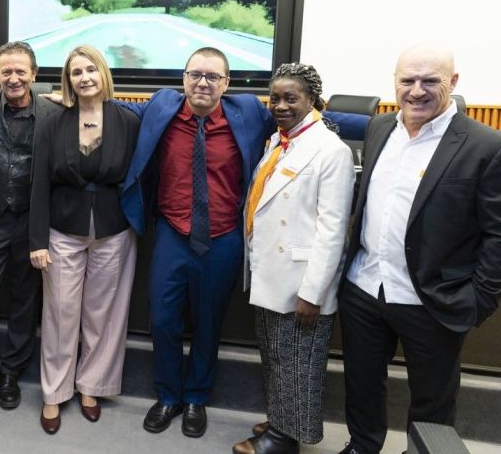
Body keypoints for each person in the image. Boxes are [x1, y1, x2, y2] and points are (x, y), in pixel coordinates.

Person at [119, 46, 368, 438]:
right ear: (183, 78)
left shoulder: (249, 111)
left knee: (208, 322)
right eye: (195, 75)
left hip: (223, 238)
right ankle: (168, 395)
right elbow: (115, 109)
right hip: (171, 233)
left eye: (212, 76)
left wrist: (385, 123)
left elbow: (311, 112)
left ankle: (196, 397)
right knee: (163, 320)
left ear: (227, 83)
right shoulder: (162, 106)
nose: (203, 83)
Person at [337, 45, 501, 454]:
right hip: (365, 288)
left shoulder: (485, 145)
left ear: (453, 82)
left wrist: (478, 301)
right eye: (407, 80)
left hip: (433, 299)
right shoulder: (380, 127)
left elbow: (497, 235)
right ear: (395, 81)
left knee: (432, 401)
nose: (416, 90)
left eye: (431, 81)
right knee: (361, 383)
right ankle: (362, 446)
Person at [232, 64, 355, 454]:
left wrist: (313, 293)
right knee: (276, 356)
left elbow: (333, 230)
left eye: (291, 98)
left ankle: (284, 440)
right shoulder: (279, 141)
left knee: (298, 363)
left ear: (312, 100)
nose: (280, 106)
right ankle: (279, 419)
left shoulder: (331, 150)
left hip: (301, 278)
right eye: (275, 99)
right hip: (271, 269)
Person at [29, 45, 140, 435]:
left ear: (103, 73)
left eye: (91, 69)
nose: (85, 77)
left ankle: (92, 386)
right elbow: (39, 183)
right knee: (60, 314)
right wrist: (37, 240)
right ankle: (54, 392)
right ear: (68, 81)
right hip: (62, 229)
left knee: (102, 314)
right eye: (76, 72)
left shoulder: (128, 120)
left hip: (113, 229)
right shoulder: (53, 123)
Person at [0, 41, 61, 423]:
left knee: (25, 298)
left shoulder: (54, 111)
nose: (14, 78)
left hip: (31, 221)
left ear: (34, 75)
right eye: (6, 71)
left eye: (21, 71)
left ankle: (11, 373)